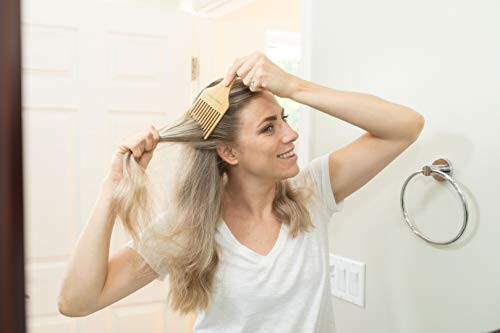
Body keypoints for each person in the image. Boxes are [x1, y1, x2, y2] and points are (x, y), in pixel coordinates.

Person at [58, 51, 424, 332]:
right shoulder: (187, 230)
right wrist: (112, 192)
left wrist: (292, 86)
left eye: (285, 118)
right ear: (228, 152)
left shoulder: (311, 191)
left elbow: (405, 127)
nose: (290, 134)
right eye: (268, 128)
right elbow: (77, 302)